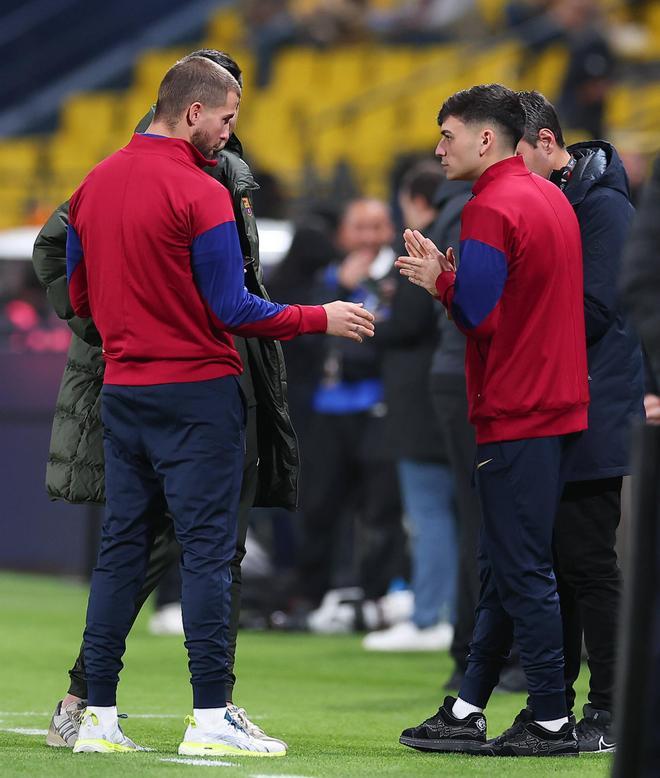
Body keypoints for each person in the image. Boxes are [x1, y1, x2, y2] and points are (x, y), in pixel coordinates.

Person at [48, 56, 375, 757]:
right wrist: (321, 317)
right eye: (227, 118)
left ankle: (96, 717)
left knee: (119, 553)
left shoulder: (92, 184)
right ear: (193, 111)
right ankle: (210, 715)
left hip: (125, 391)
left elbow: (77, 301)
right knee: (207, 556)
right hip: (197, 395)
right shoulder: (201, 193)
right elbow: (233, 306)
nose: (230, 132)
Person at [395, 83, 589, 757]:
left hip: (515, 409)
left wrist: (437, 281)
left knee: (520, 566)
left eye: (447, 134)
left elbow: (480, 317)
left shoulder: (489, 207)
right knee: (501, 563)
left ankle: (550, 718)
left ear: (485, 138)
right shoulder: (548, 197)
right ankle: (469, 705)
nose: (437, 147)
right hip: (555, 403)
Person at [516, 89, 645, 753]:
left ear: (545, 142)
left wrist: (508, 317)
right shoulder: (565, 200)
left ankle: (613, 708)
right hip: (558, 399)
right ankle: (554, 705)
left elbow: (597, 309)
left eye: (516, 155)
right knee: (557, 562)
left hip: (594, 405)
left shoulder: (604, 206)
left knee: (590, 561)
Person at [362, 161, 457, 652]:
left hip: (422, 403)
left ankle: (429, 616)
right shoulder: (457, 228)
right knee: (446, 512)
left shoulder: (433, 241)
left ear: (416, 203)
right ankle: (444, 613)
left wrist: (374, 319)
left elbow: (410, 322)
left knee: (429, 513)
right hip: (437, 397)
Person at [297, 198, 407, 620]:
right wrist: (339, 290)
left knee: (380, 509)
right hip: (328, 408)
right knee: (322, 504)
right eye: (359, 227)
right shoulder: (327, 278)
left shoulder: (402, 276)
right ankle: (317, 595)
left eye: (376, 227)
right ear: (343, 234)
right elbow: (306, 336)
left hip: (378, 405)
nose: (368, 237)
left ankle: (378, 595)